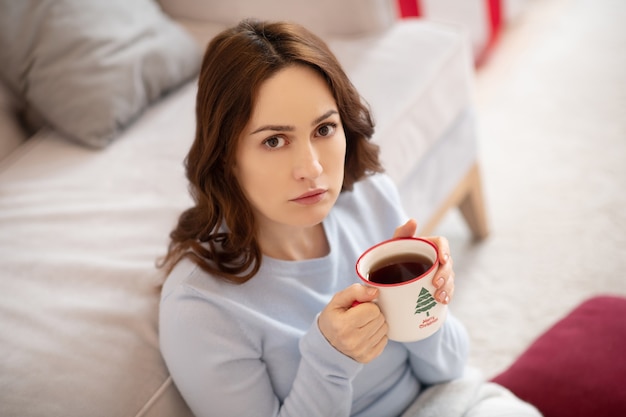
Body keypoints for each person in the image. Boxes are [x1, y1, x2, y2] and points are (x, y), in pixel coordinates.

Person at [158, 19, 541, 417]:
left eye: (324, 128)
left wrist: (423, 304)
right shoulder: (199, 307)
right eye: (274, 140)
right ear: (225, 155)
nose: (311, 168)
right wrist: (330, 358)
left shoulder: (369, 197)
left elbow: (450, 371)